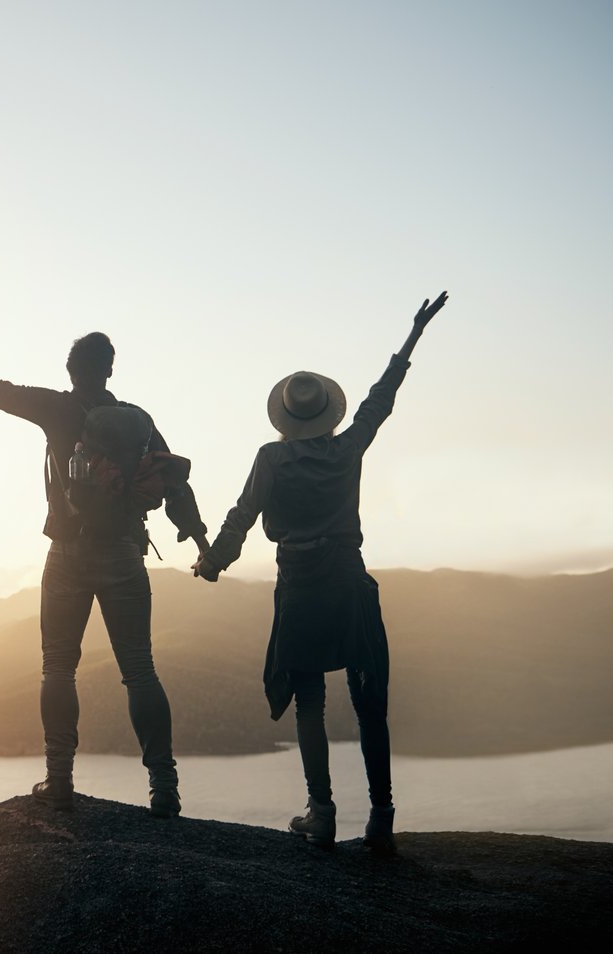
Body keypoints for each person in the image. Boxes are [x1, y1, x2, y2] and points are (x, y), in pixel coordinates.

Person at [0, 333, 211, 816]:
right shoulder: (138, 423)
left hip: (68, 555)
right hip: (124, 553)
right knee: (139, 671)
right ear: (109, 371)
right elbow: (174, 481)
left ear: (70, 372)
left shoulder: (55, 408)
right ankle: (164, 785)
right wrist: (200, 543)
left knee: (58, 666)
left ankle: (59, 780)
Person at [192, 292, 449, 854]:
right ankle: (382, 817)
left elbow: (241, 515)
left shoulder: (272, 458)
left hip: (301, 583)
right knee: (369, 699)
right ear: (326, 412)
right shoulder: (348, 449)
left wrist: (212, 563)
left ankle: (322, 812)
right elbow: (380, 402)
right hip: (349, 580)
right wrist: (413, 336)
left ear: (286, 417)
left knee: (310, 700)